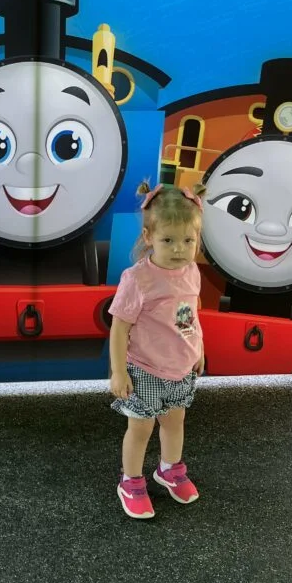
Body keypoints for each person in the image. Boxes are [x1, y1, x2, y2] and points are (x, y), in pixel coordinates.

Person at [108, 182, 205, 519]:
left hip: (180, 368)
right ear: (148, 236)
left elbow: (192, 312)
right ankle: (131, 481)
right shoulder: (138, 279)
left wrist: (199, 347)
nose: (179, 249)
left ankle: (169, 469)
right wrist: (118, 371)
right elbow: (119, 327)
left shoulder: (191, 271)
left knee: (174, 421)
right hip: (145, 369)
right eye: (168, 240)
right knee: (141, 428)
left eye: (188, 241)